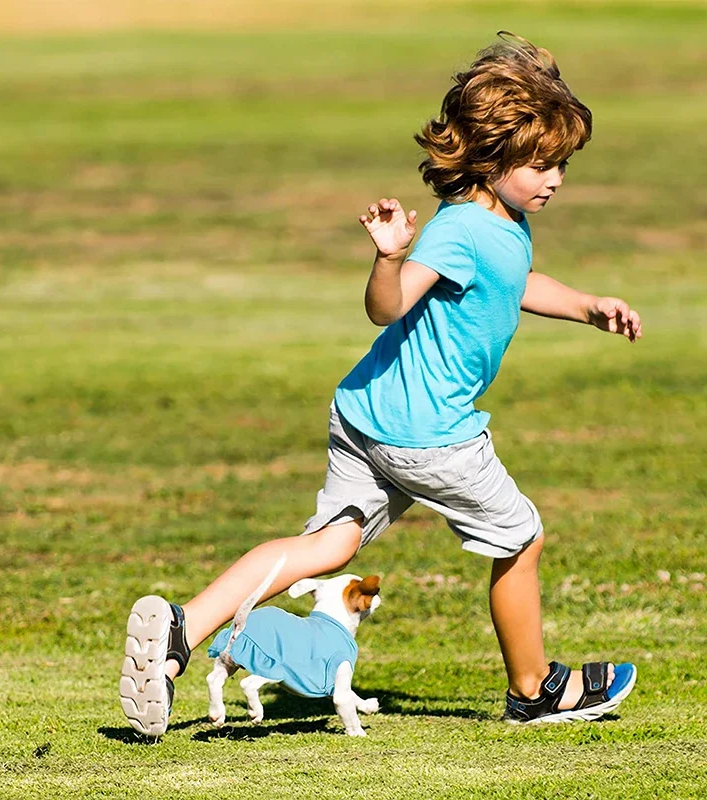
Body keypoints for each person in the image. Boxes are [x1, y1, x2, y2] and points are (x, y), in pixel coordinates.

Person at [120, 34, 643, 737]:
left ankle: (183, 632)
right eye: (539, 164)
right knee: (520, 539)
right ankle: (534, 691)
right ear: (491, 159)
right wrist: (389, 258)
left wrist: (586, 306)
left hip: (365, 412)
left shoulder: (503, 224)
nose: (552, 179)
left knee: (331, 547)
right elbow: (389, 307)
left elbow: (515, 281)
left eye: (561, 166)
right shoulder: (458, 231)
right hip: (427, 435)